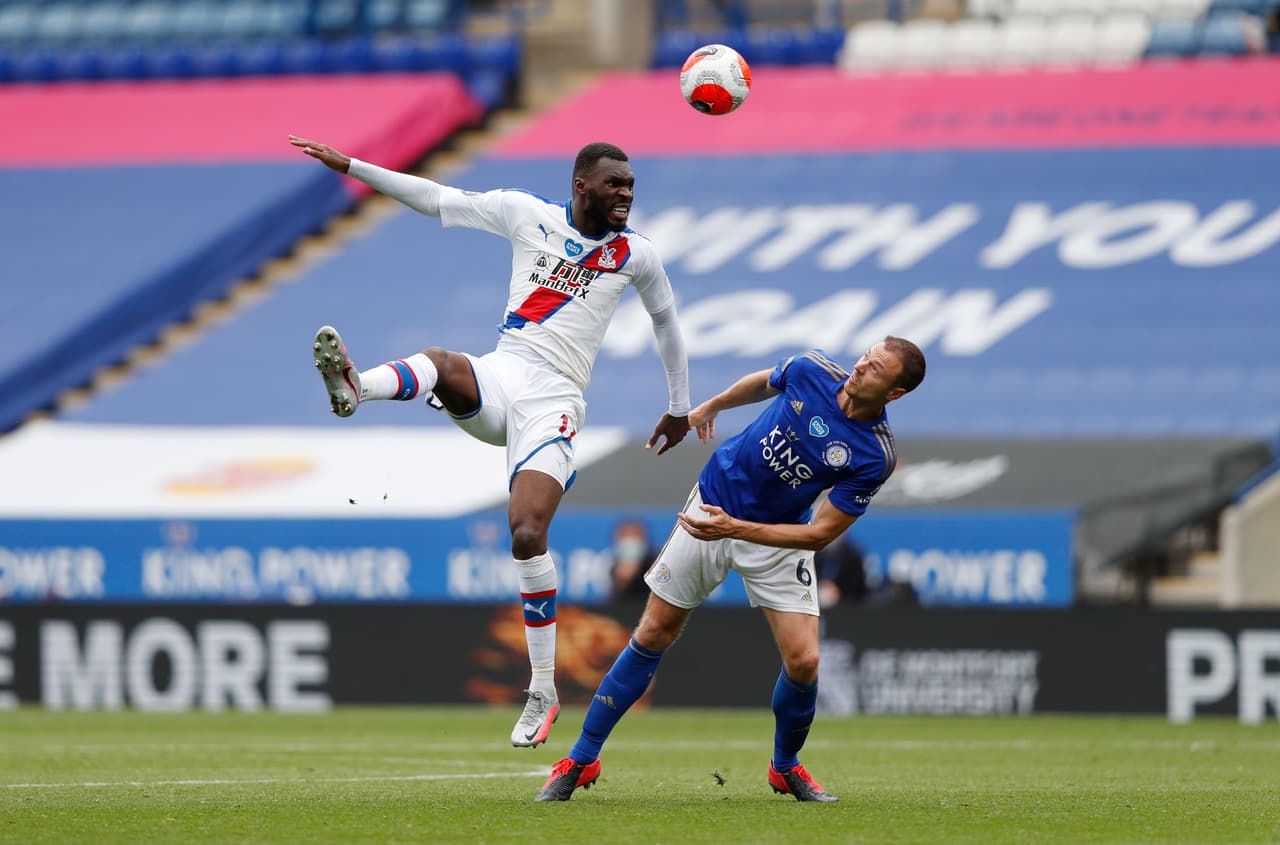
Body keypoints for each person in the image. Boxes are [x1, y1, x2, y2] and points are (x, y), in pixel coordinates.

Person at [289, 135, 692, 748]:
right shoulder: (524, 213)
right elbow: (435, 198)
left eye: (632, 186)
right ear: (582, 185)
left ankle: (542, 690)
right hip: (503, 375)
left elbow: (666, 322)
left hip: (555, 402)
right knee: (442, 360)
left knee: (527, 532)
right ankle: (355, 388)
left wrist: (680, 408)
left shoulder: (635, 255)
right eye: (617, 184)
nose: (627, 195)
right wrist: (353, 167)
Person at [534, 336, 926, 802]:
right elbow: (764, 382)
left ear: (894, 393)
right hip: (711, 506)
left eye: (876, 369)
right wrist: (709, 407)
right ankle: (580, 758)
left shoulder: (874, 455)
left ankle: (785, 767)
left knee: (805, 660)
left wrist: (737, 529)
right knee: (654, 632)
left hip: (774, 536)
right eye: (866, 356)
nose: (861, 368)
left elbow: (820, 535)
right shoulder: (813, 369)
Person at [609, 519, 657, 600]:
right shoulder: (613, 565)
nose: (630, 540)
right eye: (625, 535)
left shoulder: (656, 562)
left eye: (634, 535)